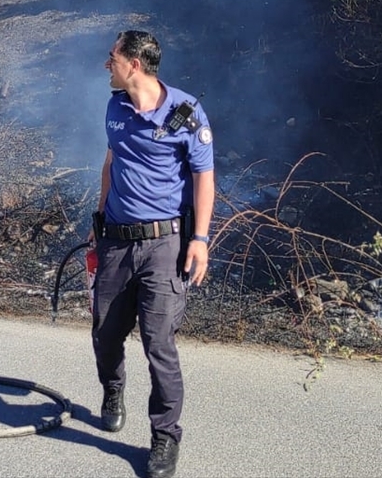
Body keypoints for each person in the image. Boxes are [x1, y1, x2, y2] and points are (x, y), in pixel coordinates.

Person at [89, 30, 215, 478]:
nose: (108, 65)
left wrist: (200, 240)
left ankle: (164, 437)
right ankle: (113, 389)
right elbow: (111, 161)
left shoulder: (185, 114)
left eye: (113, 58)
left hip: (165, 245)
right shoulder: (115, 107)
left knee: (158, 343)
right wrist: (98, 222)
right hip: (116, 241)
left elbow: (203, 177)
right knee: (105, 332)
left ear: (135, 65)